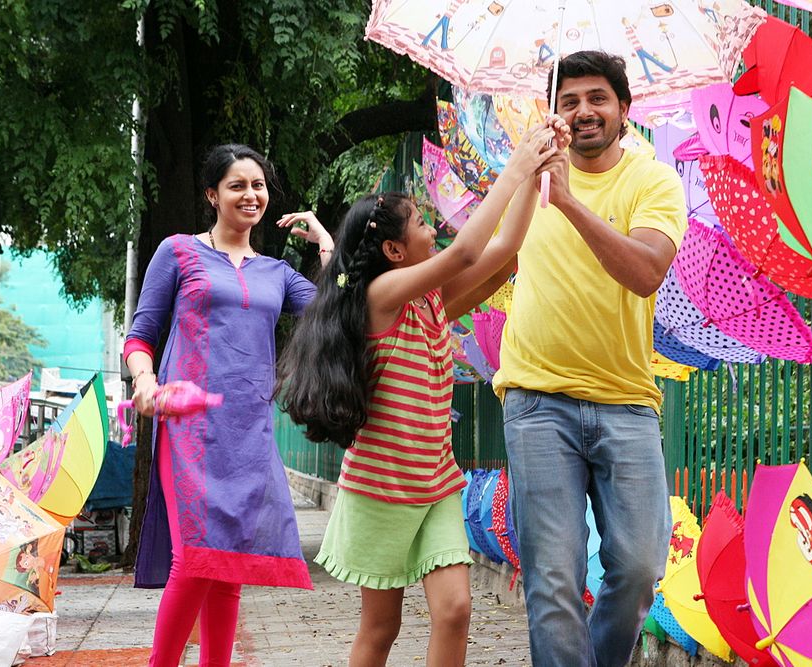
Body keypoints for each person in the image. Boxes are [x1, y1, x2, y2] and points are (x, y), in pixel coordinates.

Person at [276, 120, 567, 667]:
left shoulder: (429, 303)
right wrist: (516, 164)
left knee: (455, 611)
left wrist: (536, 174)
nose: (434, 229)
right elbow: (466, 254)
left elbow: (505, 249)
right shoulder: (381, 296)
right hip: (381, 489)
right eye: (421, 223)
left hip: (436, 485)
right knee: (381, 628)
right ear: (393, 249)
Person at [493, 50, 687, 667]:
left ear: (624, 109)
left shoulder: (653, 182)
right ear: (554, 113)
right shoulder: (526, 180)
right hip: (535, 399)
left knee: (638, 568)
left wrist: (569, 201)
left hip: (626, 402)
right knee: (553, 576)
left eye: (597, 98)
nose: (583, 111)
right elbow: (486, 259)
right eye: (569, 100)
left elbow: (645, 271)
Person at [124, 143, 333, 667]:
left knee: (229, 567)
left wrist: (327, 245)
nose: (250, 195)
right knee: (194, 560)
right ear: (212, 195)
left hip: (249, 430)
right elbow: (141, 334)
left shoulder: (277, 273)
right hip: (189, 428)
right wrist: (144, 380)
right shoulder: (177, 251)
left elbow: (337, 312)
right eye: (237, 185)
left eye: (258, 185)